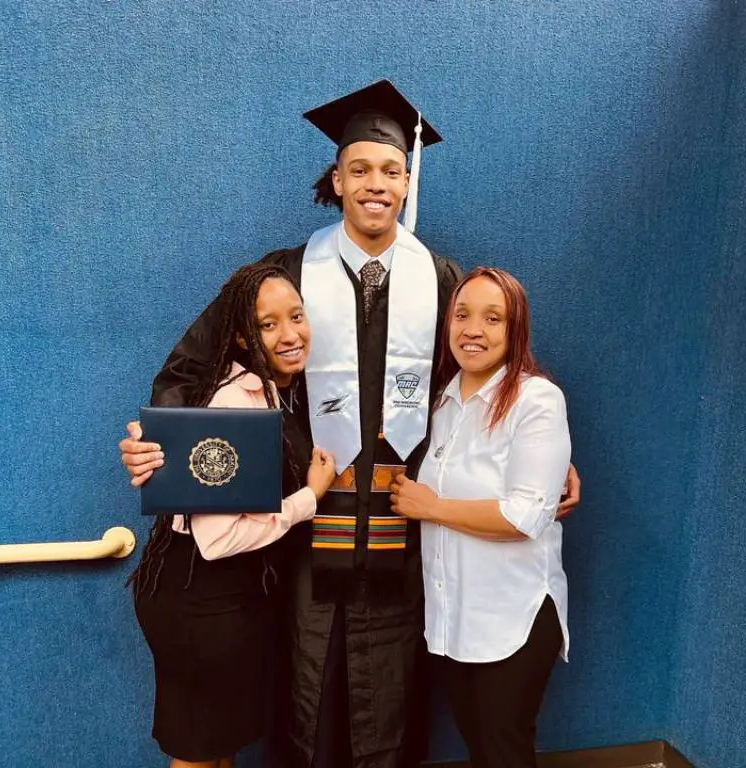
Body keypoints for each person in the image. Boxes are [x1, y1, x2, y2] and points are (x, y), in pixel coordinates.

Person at [121, 81, 580, 768]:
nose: (375, 185)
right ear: (335, 179)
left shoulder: (443, 280)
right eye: (359, 169)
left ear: (406, 182)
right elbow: (191, 370)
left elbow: (490, 372)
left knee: (391, 695)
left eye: (391, 171)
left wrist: (543, 460)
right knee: (308, 687)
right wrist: (161, 448)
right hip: (303, 528)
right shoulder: (280, 277)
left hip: (405, 529)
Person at [125, 263, 336, 768]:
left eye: (297, 317)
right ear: (242, 335)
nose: (290, 335)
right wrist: (309, 497)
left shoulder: (274, 392)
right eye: (268, 324)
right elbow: (218, 539)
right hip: (200, 600)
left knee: (219, 748)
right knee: (199, 753)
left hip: (230, 601)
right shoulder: (234, 402)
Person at [390, 267, 571, 768]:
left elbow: (526, 515)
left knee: (503, 751)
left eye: (494, 318)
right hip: (455, 619)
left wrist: (432, 508)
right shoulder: (442, 405)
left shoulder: (536, 400)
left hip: (513, 617)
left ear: (516, 330)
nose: (474, 329)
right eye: (463, 314)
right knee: (481, 748)